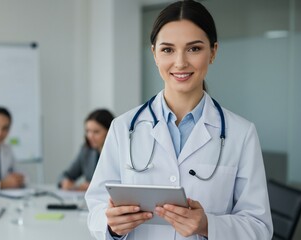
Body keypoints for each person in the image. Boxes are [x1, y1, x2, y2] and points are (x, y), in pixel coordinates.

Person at [85, 1, 273, 239]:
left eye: (194, 49)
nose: (181, 62)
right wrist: (111, 225)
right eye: (167, 50)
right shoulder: (123, 128)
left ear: (213, 52)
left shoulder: (241, 134)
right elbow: (96, 207)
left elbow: (260, 228)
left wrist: (207, 225)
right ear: (154, 53)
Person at [59, 109, 114, 192]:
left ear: (109, 131)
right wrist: (65, 182)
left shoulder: (118, 153)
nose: (90, 136)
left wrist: (93, 186)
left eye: (96, 132)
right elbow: (66, 175)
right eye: (88, 131)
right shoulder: (86, 151)